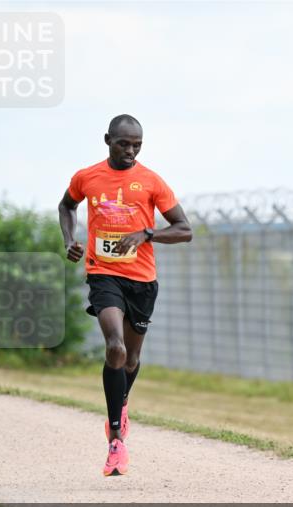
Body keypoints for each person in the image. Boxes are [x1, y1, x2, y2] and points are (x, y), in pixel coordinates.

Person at [58, 114, 192, 476]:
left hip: (142, 281)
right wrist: (70, 240)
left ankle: (121, 401)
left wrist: (147, 233)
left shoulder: (151, 181)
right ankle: (115, 437)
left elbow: (184, 230)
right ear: (108, 140)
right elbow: (67, 206)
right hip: (103, 274)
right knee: (114, 347)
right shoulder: (87, 177)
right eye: (124, 144)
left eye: (137, 145)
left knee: (130, 359)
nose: (131, 150)